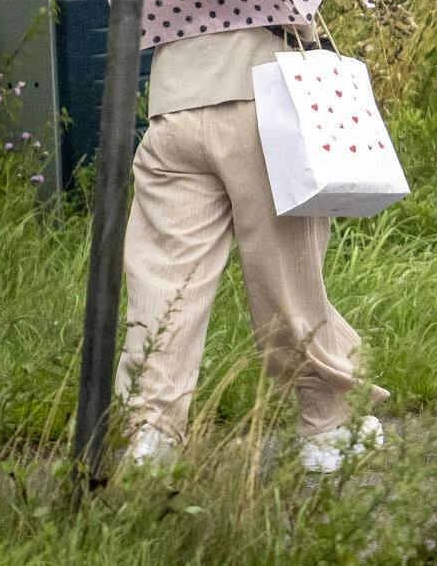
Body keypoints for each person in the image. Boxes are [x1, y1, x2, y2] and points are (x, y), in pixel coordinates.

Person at [117, 24, 387, 471]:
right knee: (285, 278)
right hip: (264, 102)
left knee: (165, 283)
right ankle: (329, 425)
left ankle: (151, 429)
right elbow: (299, 16)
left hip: (173, 109)